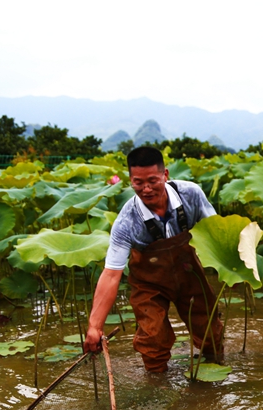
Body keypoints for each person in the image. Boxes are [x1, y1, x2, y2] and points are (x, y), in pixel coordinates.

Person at [84, 146, 223, 372]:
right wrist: (94, 326)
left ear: (165, 175)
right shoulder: (126, 222)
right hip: (149, 282)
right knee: (153, 339)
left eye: (152, 181)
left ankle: (216, 376)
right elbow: (111, 275)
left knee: (210, 330)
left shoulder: (191, 195)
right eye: (138, 183)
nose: (146, 189)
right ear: (130, 180)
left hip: (189, 272)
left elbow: (218, 232)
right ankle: (159, 388)